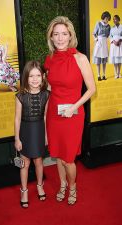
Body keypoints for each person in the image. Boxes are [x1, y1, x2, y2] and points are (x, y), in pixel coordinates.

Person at [44, 16, 96, 205]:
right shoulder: (49, 59)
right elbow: (50, 89)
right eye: (56, 34)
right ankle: (62, 184)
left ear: (70, 35)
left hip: (73, 114)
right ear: (51, 37)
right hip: (54, 114)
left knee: (68, 158)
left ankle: (72, 187)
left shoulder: (80, 58)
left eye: (63, 34)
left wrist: (74, 107)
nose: (60, 38)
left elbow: (91, 89)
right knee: (57, 154)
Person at [14, 60, 49, 208]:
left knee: (39, 161)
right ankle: (24, 191)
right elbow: (16, 119)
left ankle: (40, 185)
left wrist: (46, 135)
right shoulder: (20, 96)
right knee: (25, 164)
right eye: (31, 76)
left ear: (43, 77)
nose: (35, 79)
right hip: (25, 132)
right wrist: (17, 138)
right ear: (26, 77)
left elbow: (46, 116)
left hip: (39, 131)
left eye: (38, 75)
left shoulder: (46, 95)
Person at [93, 11, 111, 81]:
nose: (107, 20)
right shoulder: (98, 23)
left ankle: (104, 75)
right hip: (99, 42)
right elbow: (94, 33)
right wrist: (96, 39)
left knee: (104, 60)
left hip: (105, 42)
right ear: (103, 17)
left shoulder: (108, 26)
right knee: (98, 60)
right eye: (106, 18)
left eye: (108, 18)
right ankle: (98, 75)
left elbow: (109, 35)